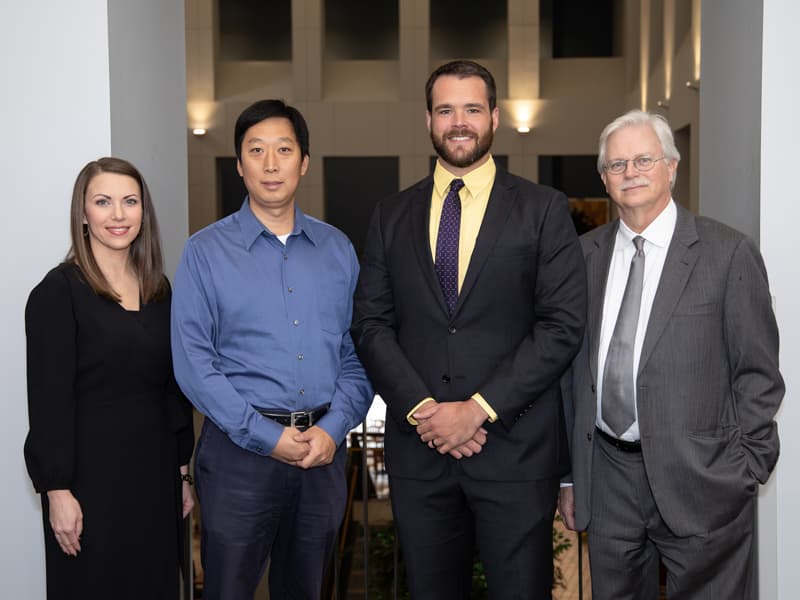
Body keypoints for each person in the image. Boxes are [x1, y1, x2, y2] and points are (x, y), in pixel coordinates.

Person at [351, 60, 587, 598]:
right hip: (421, 452)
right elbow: (370, 323)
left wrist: (477, 409)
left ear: (496, 118)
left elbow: (561, 326)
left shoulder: (542, 209)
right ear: (428, 120)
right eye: (445, 110)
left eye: (472, 109)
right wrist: (425, 411)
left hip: (515, 450)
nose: (459, 122)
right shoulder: (390, 215)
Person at [558, 110, 784, 599]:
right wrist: (572, 477)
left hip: (704, 479)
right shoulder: (582, 257)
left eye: (644, 159)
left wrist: (745, 469)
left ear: (672, 167)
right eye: (616, 165)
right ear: (604, 178)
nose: (630, 172)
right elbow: (570, 371)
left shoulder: (727, 254)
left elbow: (758, 375)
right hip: (609, 476)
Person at [171, 99, 373, 600]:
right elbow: (194, 363)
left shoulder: (337, 250)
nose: (270, 163)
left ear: (304, 162)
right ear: (238, 165)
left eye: (283, 149)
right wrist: (266, 435)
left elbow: (359, 353)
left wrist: (333, 428)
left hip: (322, 457)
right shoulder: (204, 252)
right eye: (255, 150)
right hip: (239, 456)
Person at [24, 157, 195, 600]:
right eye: (103, 202)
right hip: (88, 486)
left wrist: (181, 472)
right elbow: (48, 402)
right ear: (83, 213)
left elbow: (170, 388)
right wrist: (57, 491)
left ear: (144, 211)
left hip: (154, 480)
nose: (118, 215)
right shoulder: (57, 293)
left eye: (130, 201)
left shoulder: (159, 289)